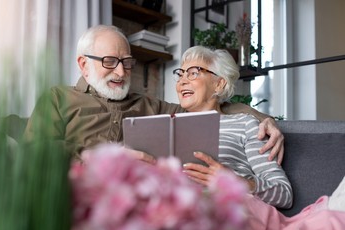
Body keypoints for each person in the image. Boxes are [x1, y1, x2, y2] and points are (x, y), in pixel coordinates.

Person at [175, 45, 345, 230]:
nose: (182, 81)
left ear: (219, 83)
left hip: (226, 210)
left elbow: (283, 193)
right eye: (180, 74)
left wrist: (235, 181)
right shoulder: (165, 127)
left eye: (193, 73)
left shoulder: (245, 124)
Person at [24, 25, 284, 163]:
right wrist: (100, 159)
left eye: (126, 62)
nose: (120, 71)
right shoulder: (58, 98)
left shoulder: (149, 105)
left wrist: (264, 118)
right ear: (83, 64)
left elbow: (208, 105)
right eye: (109, 61)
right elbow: (35, 151)